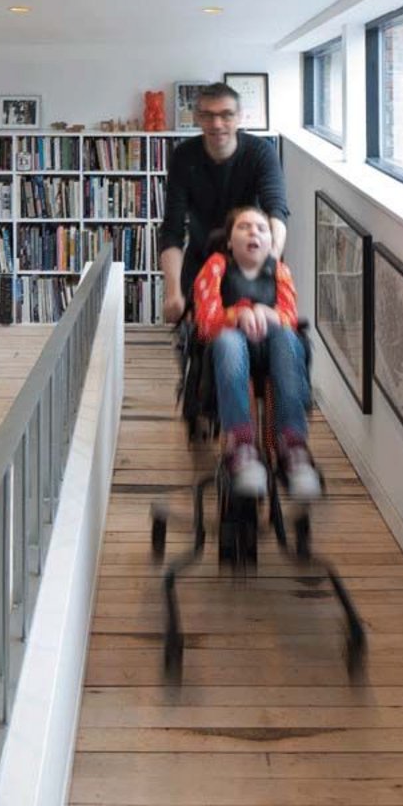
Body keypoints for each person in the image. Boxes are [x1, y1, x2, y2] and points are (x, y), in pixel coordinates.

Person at [193, 206, 322, 500]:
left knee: (290, 339)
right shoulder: (216, 266)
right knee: (228, 341)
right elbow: (205, 319)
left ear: (270, 241)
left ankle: (292, 444)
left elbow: (289, 313)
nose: (254, 232)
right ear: (229, 241)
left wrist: (269, 314)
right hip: (229, 348)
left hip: (272, 349)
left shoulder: (279, 271)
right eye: (244, 227)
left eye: (262, 228)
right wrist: (238, 314)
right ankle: (241, 443)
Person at [159, 82, 289, 322]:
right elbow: (172, 229)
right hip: (199, 269)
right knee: (201, 351)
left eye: (226, 115)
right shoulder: (184, 157)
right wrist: (173, 293)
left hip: (252, 265)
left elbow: (277, 212)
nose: (216, 124)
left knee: (253, 347)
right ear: (197, 117)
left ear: (239, 117)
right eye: (208, 115)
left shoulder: (261, 153)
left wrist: (269, 261)